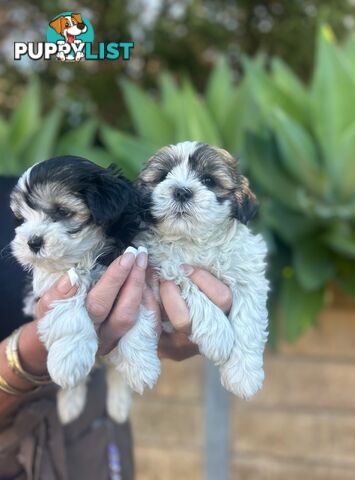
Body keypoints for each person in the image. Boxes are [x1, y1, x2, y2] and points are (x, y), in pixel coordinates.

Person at [0, 177, 232, 480]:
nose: (32, 227)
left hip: (97, 446)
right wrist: (29, 352)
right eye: (23, 217)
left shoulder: (27, 187)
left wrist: (168, 324)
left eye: (62, 214)